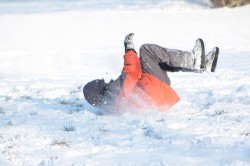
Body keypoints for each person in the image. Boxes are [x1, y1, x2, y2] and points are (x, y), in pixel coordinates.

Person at [83, 33, 219, 112]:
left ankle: (201, 64)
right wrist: (129, 49)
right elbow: (132, 73)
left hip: (158, 99)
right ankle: (194, 61)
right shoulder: (111, 91)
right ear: (99, 89)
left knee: (156, 62)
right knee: (147, 51)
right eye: (102, 83)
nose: (108, 81)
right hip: (153, 92)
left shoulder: (111, 106)